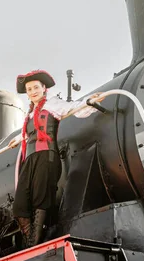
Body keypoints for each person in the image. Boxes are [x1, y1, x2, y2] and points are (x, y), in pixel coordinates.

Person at [8, 69, 106, 248]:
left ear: (44, 88)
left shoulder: (53, 104)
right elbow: (29, 134)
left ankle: (34, 244)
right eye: (29, 89)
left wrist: (89, 102)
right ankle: (33, 241)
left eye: (36, 87)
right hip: (29, 160)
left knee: (40, 200)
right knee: (20, 206)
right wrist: (17, 139)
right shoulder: (29, 114)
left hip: (47, 156)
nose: (33, 92)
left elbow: (74, 109)